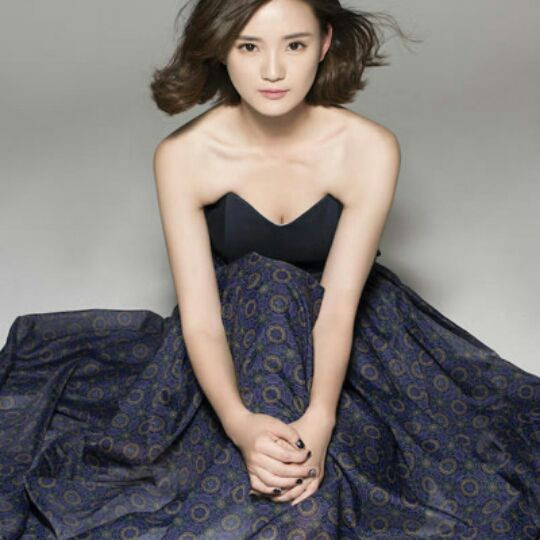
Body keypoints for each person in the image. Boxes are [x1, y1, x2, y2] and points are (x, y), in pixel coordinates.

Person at [0, 0, 538, 538]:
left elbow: (338, 309)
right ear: (221, 49)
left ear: (324, 44)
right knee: (264, 293)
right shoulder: (184, 155)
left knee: (448, 469)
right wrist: (239, 424)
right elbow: (202, 320)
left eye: (294, 45)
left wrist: (320, 418)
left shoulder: (370, 149)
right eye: (249, 46)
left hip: (349, 330)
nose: (273, 71)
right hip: (233, 330)